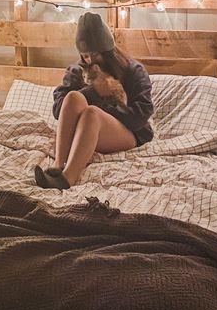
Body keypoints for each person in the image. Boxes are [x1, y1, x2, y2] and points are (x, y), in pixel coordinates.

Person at [34, 12, 154, 189]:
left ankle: (68, 178)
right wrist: (93, 91)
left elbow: (140, 117)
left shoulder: (133, 70)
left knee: (92, 114)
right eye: (85, 55)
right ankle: (58, 165)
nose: (89, 60)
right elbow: (59, 110)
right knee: (74, 97)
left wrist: (105, 101)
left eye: (95, 54)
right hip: (84, 132)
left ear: (108, 50)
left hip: (129, 133)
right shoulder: (77, 70)